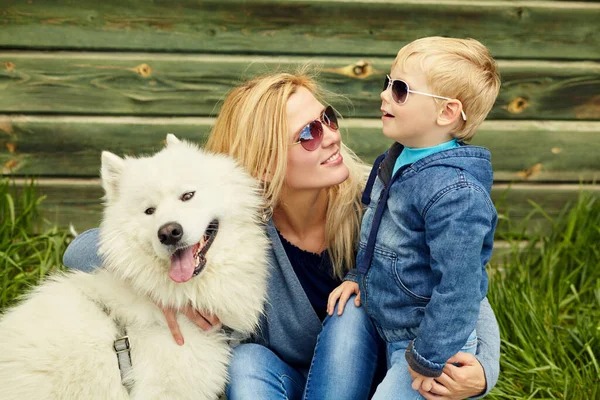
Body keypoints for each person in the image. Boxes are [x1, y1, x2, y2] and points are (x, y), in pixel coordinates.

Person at [62, 68, 500, 399]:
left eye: (326, 118)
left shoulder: (383, 200)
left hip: (383, 379)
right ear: (267, 163)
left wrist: (483, 371)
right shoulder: (231, 230)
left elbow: (461, 283)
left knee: (349, 319)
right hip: (286, 381)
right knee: (247, 361)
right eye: (308, 134)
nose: (330, 136)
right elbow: (81, 251)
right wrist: (162, 284)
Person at [326, 37, 502, 399]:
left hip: (433, 345)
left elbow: (461, 285)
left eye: (401, 90)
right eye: (387, 83)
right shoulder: (395, 160)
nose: (385, 95)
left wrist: (429, 358)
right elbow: (375, 230)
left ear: (446, 112)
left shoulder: (456, 194)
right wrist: (360, 274)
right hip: (393, 327)